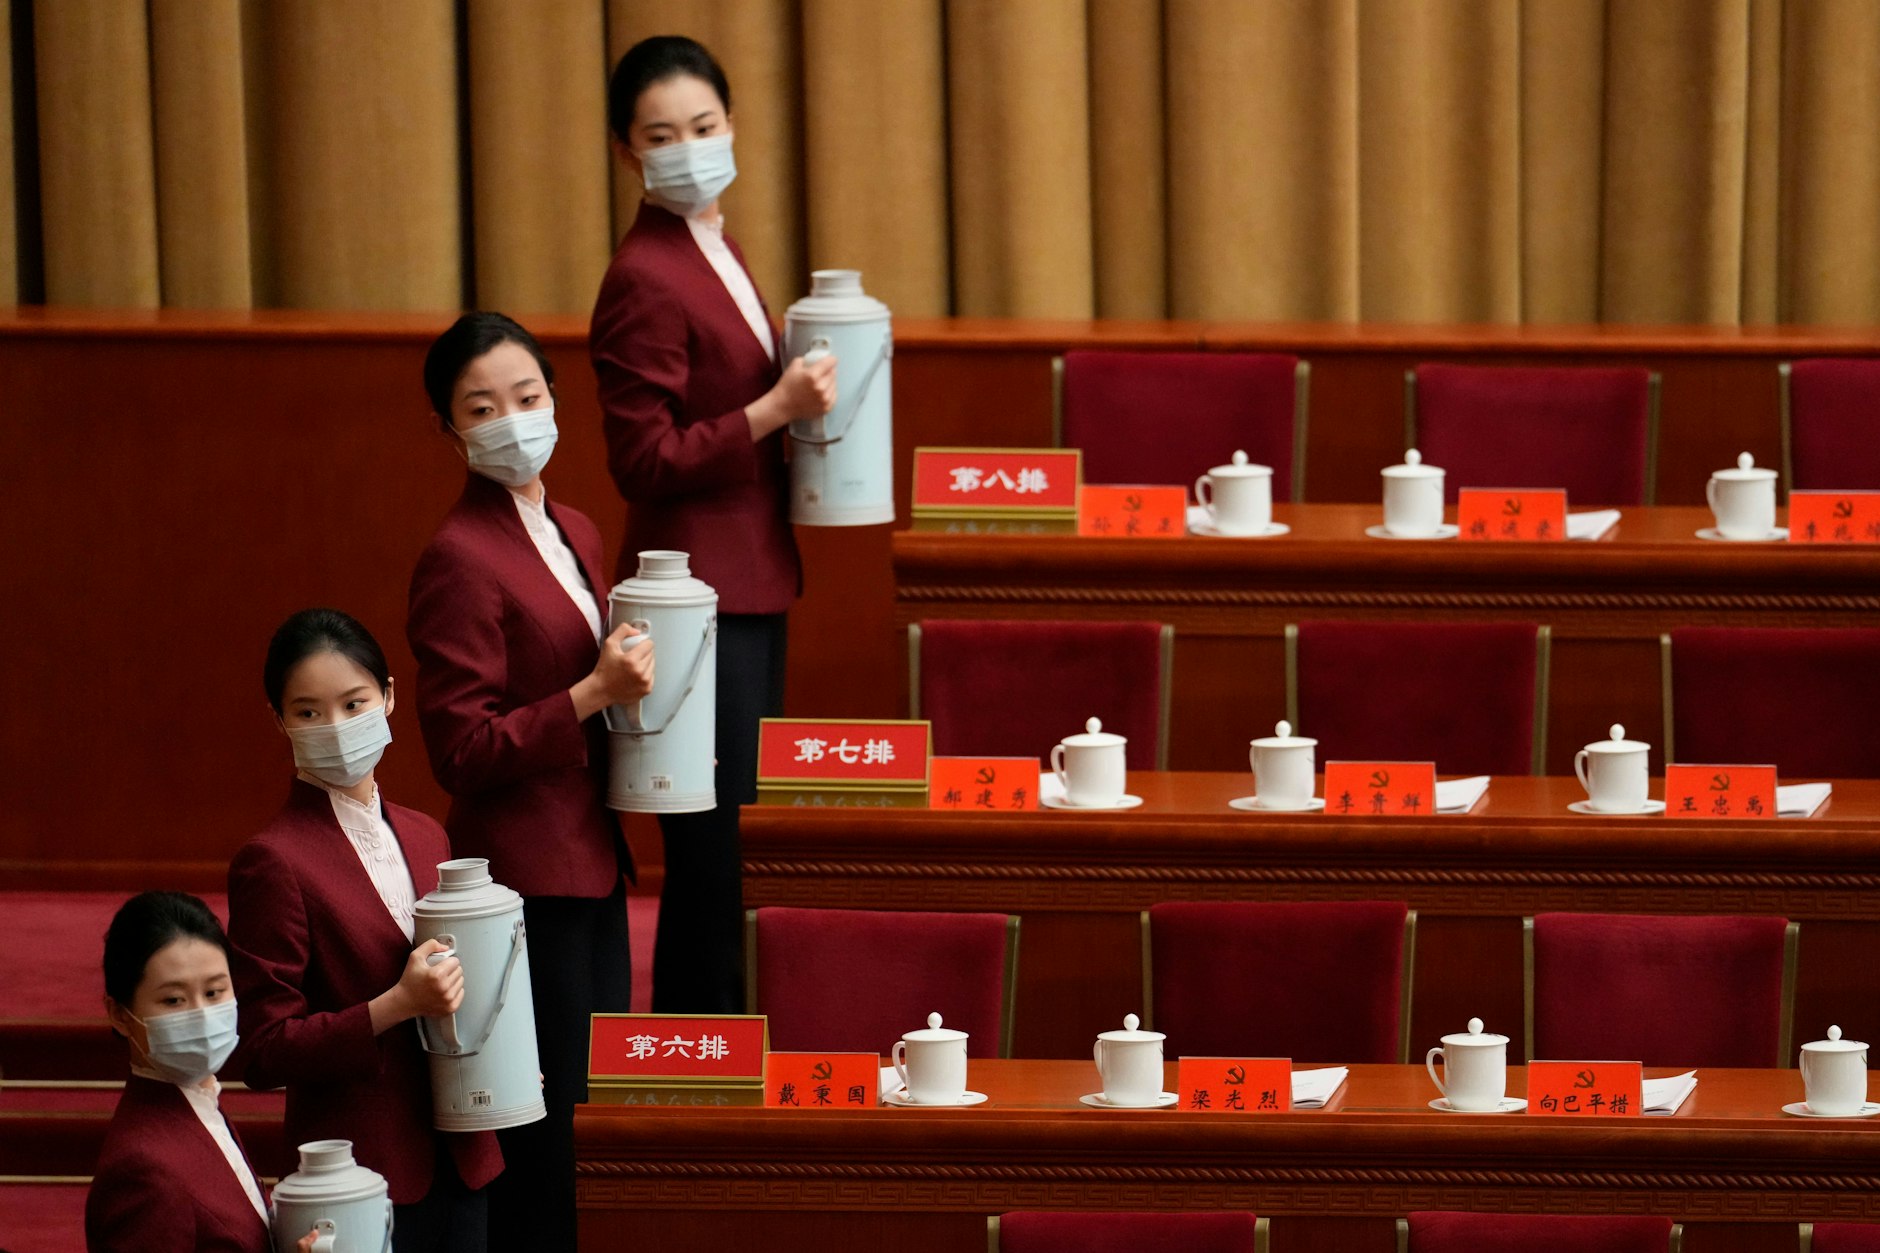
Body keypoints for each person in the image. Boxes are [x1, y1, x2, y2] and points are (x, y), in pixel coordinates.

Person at [591, 34, 835, 1016]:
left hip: (751, 575)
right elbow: (642, 457)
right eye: (662, 136)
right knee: (710, 845)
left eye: (703, 126)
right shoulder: (643, 274)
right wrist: (774, 410)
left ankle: (712, 1048)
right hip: (693, 599)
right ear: (625, 151)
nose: (688, 148)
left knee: (732, 838)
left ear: (732, 125)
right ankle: (699, 1053)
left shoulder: (713, 244)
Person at [408, 312, 655, 1252]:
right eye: (482, 408)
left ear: (556, 398)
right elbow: (461, 749)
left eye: (527, 395)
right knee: (544, 1131)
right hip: (524, 882)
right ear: (449, 429)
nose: (512, 420)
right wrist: (591, 693)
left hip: (592, 858)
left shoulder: (575, 526)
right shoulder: (457, 557)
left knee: (588, 1113)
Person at [226, 609, 502, 1252]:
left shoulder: (427, 833)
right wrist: (394, 1006)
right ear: (279, 721)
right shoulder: (273, 861)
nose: (336, 727)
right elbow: (262, 1049)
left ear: (389, 697)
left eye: (354, 704)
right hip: (362, 1175)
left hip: (462, 1148)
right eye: (309, 712)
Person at [86, 890, 318, 1252]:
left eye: (214, 992)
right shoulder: (142, 1170)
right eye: (173, 1000)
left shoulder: (197, 1102)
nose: (202, 1015)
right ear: (119, 1014)